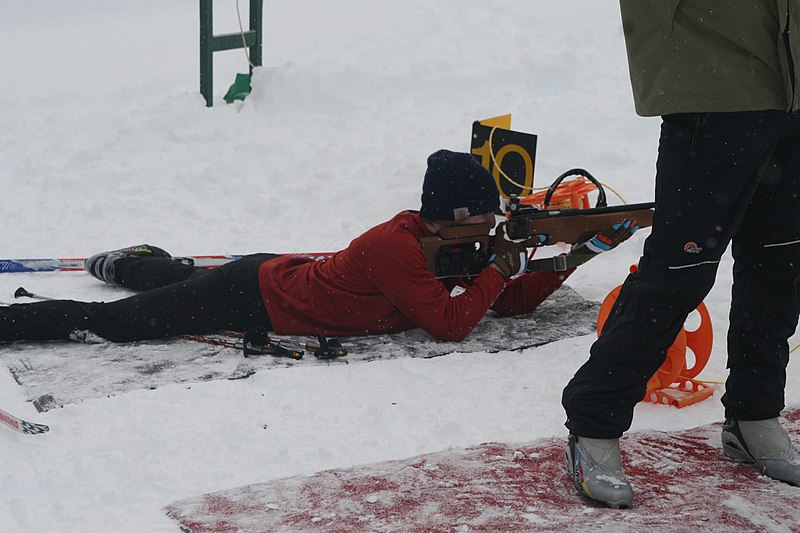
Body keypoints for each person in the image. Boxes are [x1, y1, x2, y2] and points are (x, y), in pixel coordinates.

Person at [0, 150, 636, 345]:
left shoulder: (455, 246)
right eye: (488, 220)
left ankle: (132, 263)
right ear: (459, 219)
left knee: (173, 284)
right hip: (251, 298)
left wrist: (573, 257)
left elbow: (507, 303)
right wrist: (502, 265)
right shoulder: (396, 247)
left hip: (273, 277)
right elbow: (449, 324)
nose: (496, 228)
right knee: (111, 327)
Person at [562, 1, 800, 509]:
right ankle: (593, 423)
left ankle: (754, 414)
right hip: (716, 84)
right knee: (680, 272)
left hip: (795, 88)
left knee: (782, 264)